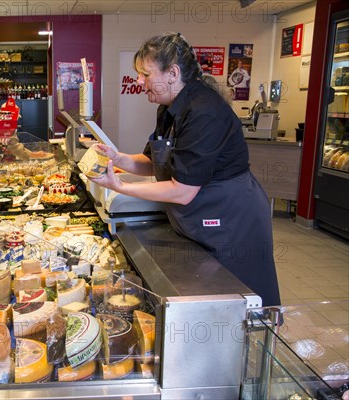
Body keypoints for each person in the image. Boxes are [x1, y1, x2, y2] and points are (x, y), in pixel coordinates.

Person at [89, 32, 281, 307]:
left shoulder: (205, 111)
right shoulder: (169, 108)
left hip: (230, 219)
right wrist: (116, 158)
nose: (139, 81)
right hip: (199, 216)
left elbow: (183, 190)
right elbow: (152, 162)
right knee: (207, 298)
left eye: (144, 73)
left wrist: (120, 187)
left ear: (172, 73)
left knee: (240, 301)